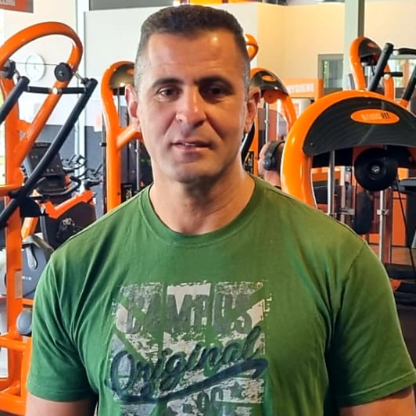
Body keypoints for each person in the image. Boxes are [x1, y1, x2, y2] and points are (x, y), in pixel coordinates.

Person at [26, 5, 416, 416]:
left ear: (249, 108)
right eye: (167, 90)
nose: (191, 113)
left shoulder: (340, 262)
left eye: (214, 90)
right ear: (135, 108)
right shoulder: (74, 270)